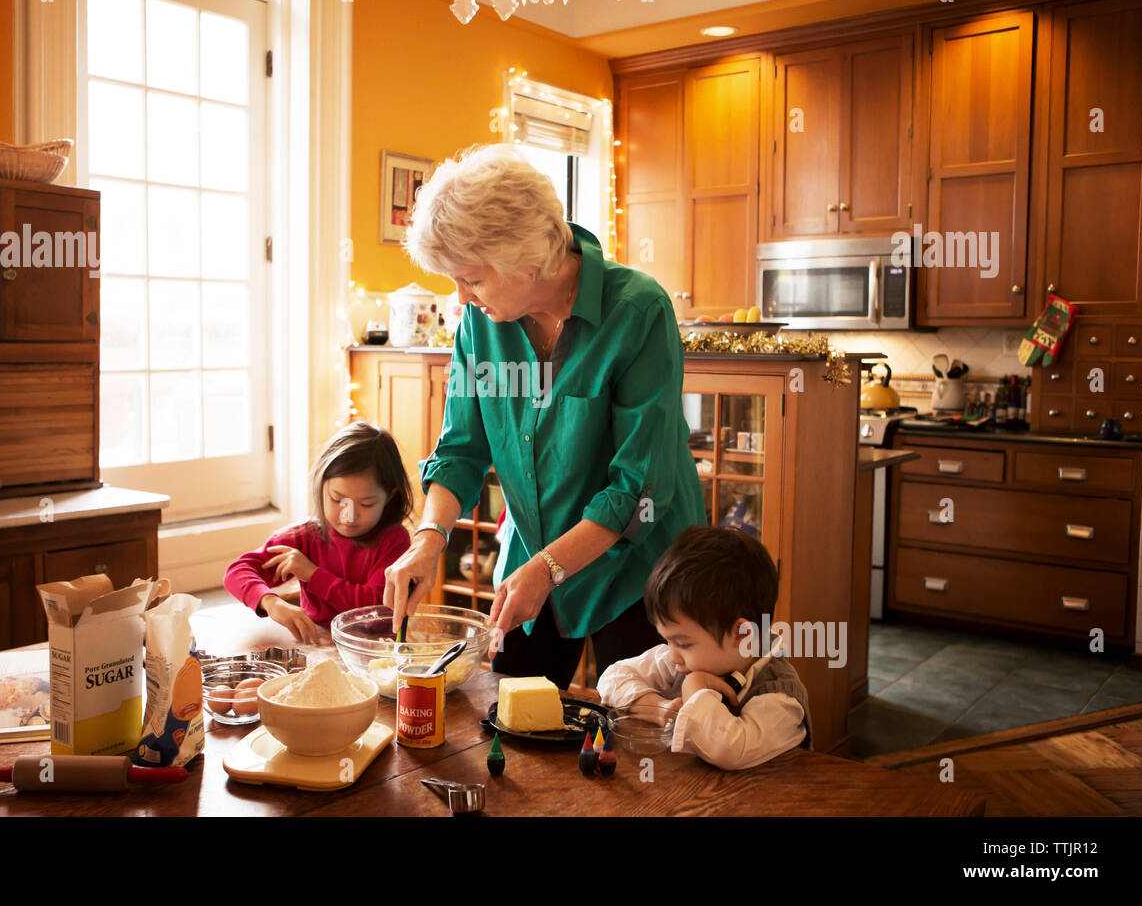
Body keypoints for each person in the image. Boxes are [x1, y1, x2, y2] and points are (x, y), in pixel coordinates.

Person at [382, 142, 706, 689]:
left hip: (638, 569)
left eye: (473, 279)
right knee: (512, 720)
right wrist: (428, 538)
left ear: (526, 259)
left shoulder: (638, 311)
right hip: (532, 557)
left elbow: (637, 490)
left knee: (641, 729)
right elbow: (461, 449)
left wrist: (551, 569)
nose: (460, 298)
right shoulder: (480, 324)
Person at [597, 526, 812, 769]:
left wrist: (696, 689)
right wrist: (660, 709)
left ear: (741, 634)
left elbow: (729, 751)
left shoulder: (779, 696)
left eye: (683, 643)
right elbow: (612, 678)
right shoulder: (682, 660)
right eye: (667, 640)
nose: (672, 654)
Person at [223, 422, 412, 644]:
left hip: (375, 654)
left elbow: (377, 609)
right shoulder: (305, 537)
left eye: (367, 503)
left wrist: (313, 576)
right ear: (321, 486)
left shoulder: (394, 541)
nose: (348, 516)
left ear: (390, 497)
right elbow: (237, 571)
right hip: (316, 649)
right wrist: (272, 603)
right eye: (337, 499)